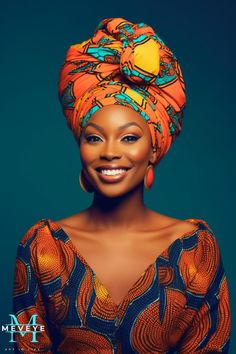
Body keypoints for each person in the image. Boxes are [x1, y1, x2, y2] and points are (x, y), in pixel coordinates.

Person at [12, 17, 231, 353]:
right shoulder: (42, 247)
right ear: (81, 146)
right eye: (95, 137)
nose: (110, 152)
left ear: (153, 148)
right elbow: (22, 345)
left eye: (129, 137)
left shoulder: (196, 250)